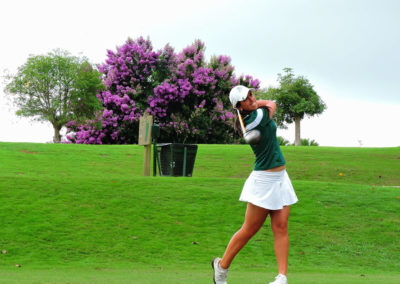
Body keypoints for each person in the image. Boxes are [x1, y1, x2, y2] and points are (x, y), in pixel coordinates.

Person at [212, 85, 298, 284]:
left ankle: (281, 277)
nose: (251, 98)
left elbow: (266, 105)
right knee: (249, 229)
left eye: (251, 94)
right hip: (263, 181)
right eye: (246, 98)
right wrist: (258, 104)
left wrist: (253, 104)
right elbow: (272, 104)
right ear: (239, 106)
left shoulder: (252, 115)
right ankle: (221, 267)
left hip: (281, 178)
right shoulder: (256, 118)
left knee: (281, 226)